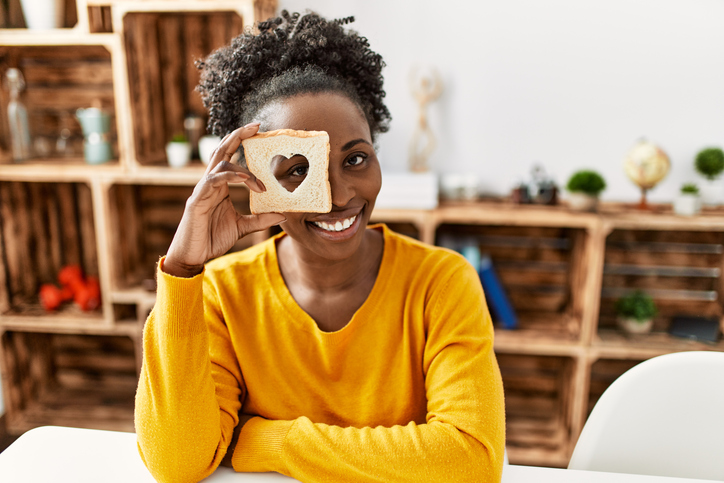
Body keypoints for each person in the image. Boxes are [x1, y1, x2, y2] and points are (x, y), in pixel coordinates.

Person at [135, 10, 505, 483]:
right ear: (253, 183)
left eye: (355, 158)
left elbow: (471, 461)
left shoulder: (442, 282)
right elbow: (175, 462)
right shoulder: (223, 296)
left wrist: (268, 439)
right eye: (297, 170)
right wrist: (184, 269)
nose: (341, 195)